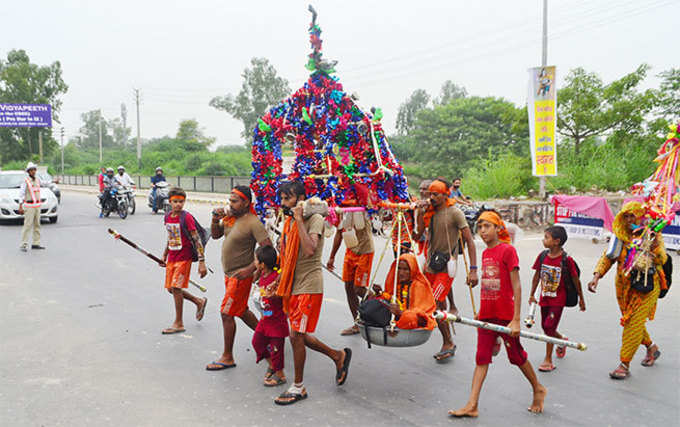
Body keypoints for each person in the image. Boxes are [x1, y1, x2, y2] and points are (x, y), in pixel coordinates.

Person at [450, 211, 546, 418]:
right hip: (487, 316)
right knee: (481, 357)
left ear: (497, 228)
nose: (483, 231)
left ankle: (538, 388)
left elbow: (516, 285)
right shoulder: (485, 254)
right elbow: (489, 285)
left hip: (506, 316)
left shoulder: (507, 251)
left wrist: (516, 319)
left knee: (516, 356)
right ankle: (472, 405)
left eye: (487, 226)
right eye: (480, 227)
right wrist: (482, 312)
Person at [274, 181, 351, 405]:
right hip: (292, 285)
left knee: (296, 335)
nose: (283, 203)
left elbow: (309, 250)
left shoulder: (314, 219)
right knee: (300, 334)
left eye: (287, 198)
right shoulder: (289, 221)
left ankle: (298, 386)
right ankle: (338, 355)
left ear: (300, 200)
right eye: (281, 199)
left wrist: (299, 220)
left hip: (309, 285)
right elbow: (287, 255)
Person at [587, 202, 667, 379]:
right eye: (627, 216)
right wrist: (596, 276)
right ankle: (651, 347)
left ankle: (624, 364)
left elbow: (662, 258)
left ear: (641, 216)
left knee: (632, 323)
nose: (630, 220)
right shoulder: (620, 236)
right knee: (632, 320)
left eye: (633, 216)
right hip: (624, 288)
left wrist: (653, 246)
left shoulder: (651, 234)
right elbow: (608, 257)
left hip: (647, 287)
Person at [206, 185, 272, 371]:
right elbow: (217, 235)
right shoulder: (230, 219)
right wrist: (214, 219)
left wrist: (250, 269)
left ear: (246, 203)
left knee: (227, 313)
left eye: (235, 201)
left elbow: (267, 249)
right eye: (230, 201)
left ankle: (228, 356)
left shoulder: (253, 222)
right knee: (241, 310)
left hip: (240, 276)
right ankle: (268, 336)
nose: (231, 204)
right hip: (229, 274)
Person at [416, 178, 478, 361]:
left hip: (447, 267)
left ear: (445, 195)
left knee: (434, 302)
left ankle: (448, 342)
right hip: (430, 265)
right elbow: (417, 235)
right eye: (430, 194)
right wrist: (419, 214)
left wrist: (473, 270)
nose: (431, 197)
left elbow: (470, 241)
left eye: (435, 194)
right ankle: (448, 338)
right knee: (438, 305)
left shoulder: (455, 213)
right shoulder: (429, 213)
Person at [529, 225, 586, 372]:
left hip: (558, 300)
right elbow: (536, 276)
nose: (543, 240)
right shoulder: (542, 256)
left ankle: (548, 359)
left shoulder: (567, 260)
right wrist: (532, 294)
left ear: (556, 241)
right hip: (544, 298)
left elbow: (575, 280)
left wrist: (581, 299)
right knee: (545, 326)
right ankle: (561, 340)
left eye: (546, 237)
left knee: (549, 327)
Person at [161, 187, 208, 334]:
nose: (178, 205)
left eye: (181, 202)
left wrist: (202, 262)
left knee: (176, 288)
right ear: (170, 202)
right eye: (175, 201)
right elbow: (171, 237)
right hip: (172, 257)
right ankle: (198, 301)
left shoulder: (186, 217)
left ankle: (179, 323)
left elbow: (197, 239)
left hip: (184, 257)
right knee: (171, 289)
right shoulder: (167, 217)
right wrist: (164, 255)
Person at [326, 195, 374, 336]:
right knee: (348, 287)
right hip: (350, 250)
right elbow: (339, 234)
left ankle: (379, 301)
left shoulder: (364, 203)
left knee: (358, 288)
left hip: (365, 251)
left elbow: (372, 204)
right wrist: (332, 257)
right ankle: (357, 323)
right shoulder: (341, 207)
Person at [251, 245, 289, 387]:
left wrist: (273, 294)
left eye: (256, 260)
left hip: (277, 321)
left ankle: (281, 376)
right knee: (257, 342)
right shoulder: (262, 276)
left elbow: (282, 294)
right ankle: (272, 364)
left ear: (262, 264)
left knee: (276, 350)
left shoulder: (276, 278)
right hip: (265, 317)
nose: (254, 263)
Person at [381, 253, 436, 330]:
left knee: (409, 318)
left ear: (412, 270)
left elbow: (420, 316)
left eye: (405, 269)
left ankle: (396, 325)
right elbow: (389, 297)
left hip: (410, 320)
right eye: (399, 268)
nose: (401, 273)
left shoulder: (419, 285)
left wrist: (400, 313)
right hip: (396, 317)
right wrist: (380, 294)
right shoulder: (395, 281)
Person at [18, 162, 45, 252]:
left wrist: (54, 181)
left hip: (37, 205)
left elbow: (45, 183)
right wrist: (20, 206)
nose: (33, 171)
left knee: (37, 225)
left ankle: (36, 243)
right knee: (27, 225)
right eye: (32, 170)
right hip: (29, 206)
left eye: (34, 169)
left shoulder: (37, 180)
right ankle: (23, 245)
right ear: (28, 171)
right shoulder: (25, 181)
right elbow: (21, 194)